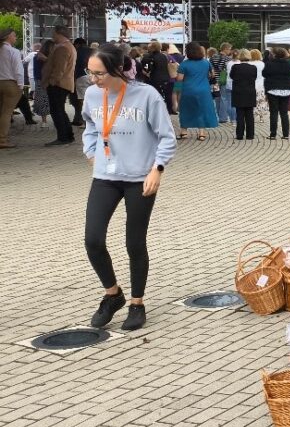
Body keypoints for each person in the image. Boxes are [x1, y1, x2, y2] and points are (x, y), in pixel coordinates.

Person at [81, 43, 176, 332]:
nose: (93, 79)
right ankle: (113, 295)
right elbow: (90, 127)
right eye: (90, 72)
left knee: (134, 242)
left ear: (116, 70)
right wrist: (91, 152)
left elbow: (167, 137)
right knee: (93, 239)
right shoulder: (92, 94)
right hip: (106, 175)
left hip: (140, 178)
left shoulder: (146, 95)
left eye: (99, 74)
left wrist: (157, 169)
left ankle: (137, 302)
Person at [40, 25, 77, 146]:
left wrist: (52, 82)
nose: (52, 36)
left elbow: (59, 68)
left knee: (57, 111)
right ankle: (68, 136)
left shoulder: (63, 48)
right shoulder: (68, 46)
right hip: (62, 83)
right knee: (60, 110)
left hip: (58, 84)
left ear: (59, 33)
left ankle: (63, 137)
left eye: (53, 33)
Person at [174, 44, 218, 140]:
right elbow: (212, 75)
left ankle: (184, 132)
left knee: (185, 109)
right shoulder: (206, 62)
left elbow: (179, 79)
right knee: (201, 110)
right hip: (204, 90)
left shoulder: (184, 64)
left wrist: (176, 91)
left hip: (188, 90)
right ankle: (201, 133)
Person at [263, 47, 290, 140]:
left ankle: (273, 134)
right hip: (286, 89)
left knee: (273, 112)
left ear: (274, 54)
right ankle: (286, 134)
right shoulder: (288, 63)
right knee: (284, 113)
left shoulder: (269, 64)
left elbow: (264, 74)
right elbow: (289, 74)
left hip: (273, 89)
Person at [0, 29, 23, 149]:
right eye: (14, 35)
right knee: (6, 113)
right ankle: (2, 140)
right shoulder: (13, 51)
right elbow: (18, 70)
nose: (15, 38)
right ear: (8, 37)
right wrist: (21, 85)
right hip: (10, 84)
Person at [229, 50, 259, 141]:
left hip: (238, 92)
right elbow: (254, 77)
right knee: (250, 114)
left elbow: (231, 76)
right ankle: (250, 135)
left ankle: (240, 135)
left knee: (240, 114)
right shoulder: (253, 67)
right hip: (250, 92)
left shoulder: (235, 67)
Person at [137, 41, 173, 106]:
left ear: (151, 48)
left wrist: (145, 71)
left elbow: (147, 68)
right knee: (166, 95)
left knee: (155, 95)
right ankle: (169, 109)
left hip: (154, 79)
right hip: (165, 78)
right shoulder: (164, 56)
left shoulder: (149, 57)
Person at [209, 43, 233, 124]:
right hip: (223, 80)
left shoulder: (212, 57)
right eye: (229, 49)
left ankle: (218, 116)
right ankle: (223, 118)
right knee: (224, 98)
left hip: (214, 80)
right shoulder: (227, 59)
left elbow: (210, 68)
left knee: (217, 98)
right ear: (225, 49)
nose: (230, 51)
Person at [71, 36, 91, 127]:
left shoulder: (76, 52)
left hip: (81, 77)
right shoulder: (93, 51)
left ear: (77, 44)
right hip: (94, 76)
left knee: (82, 100)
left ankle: (86, 122)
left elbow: (73, 67)